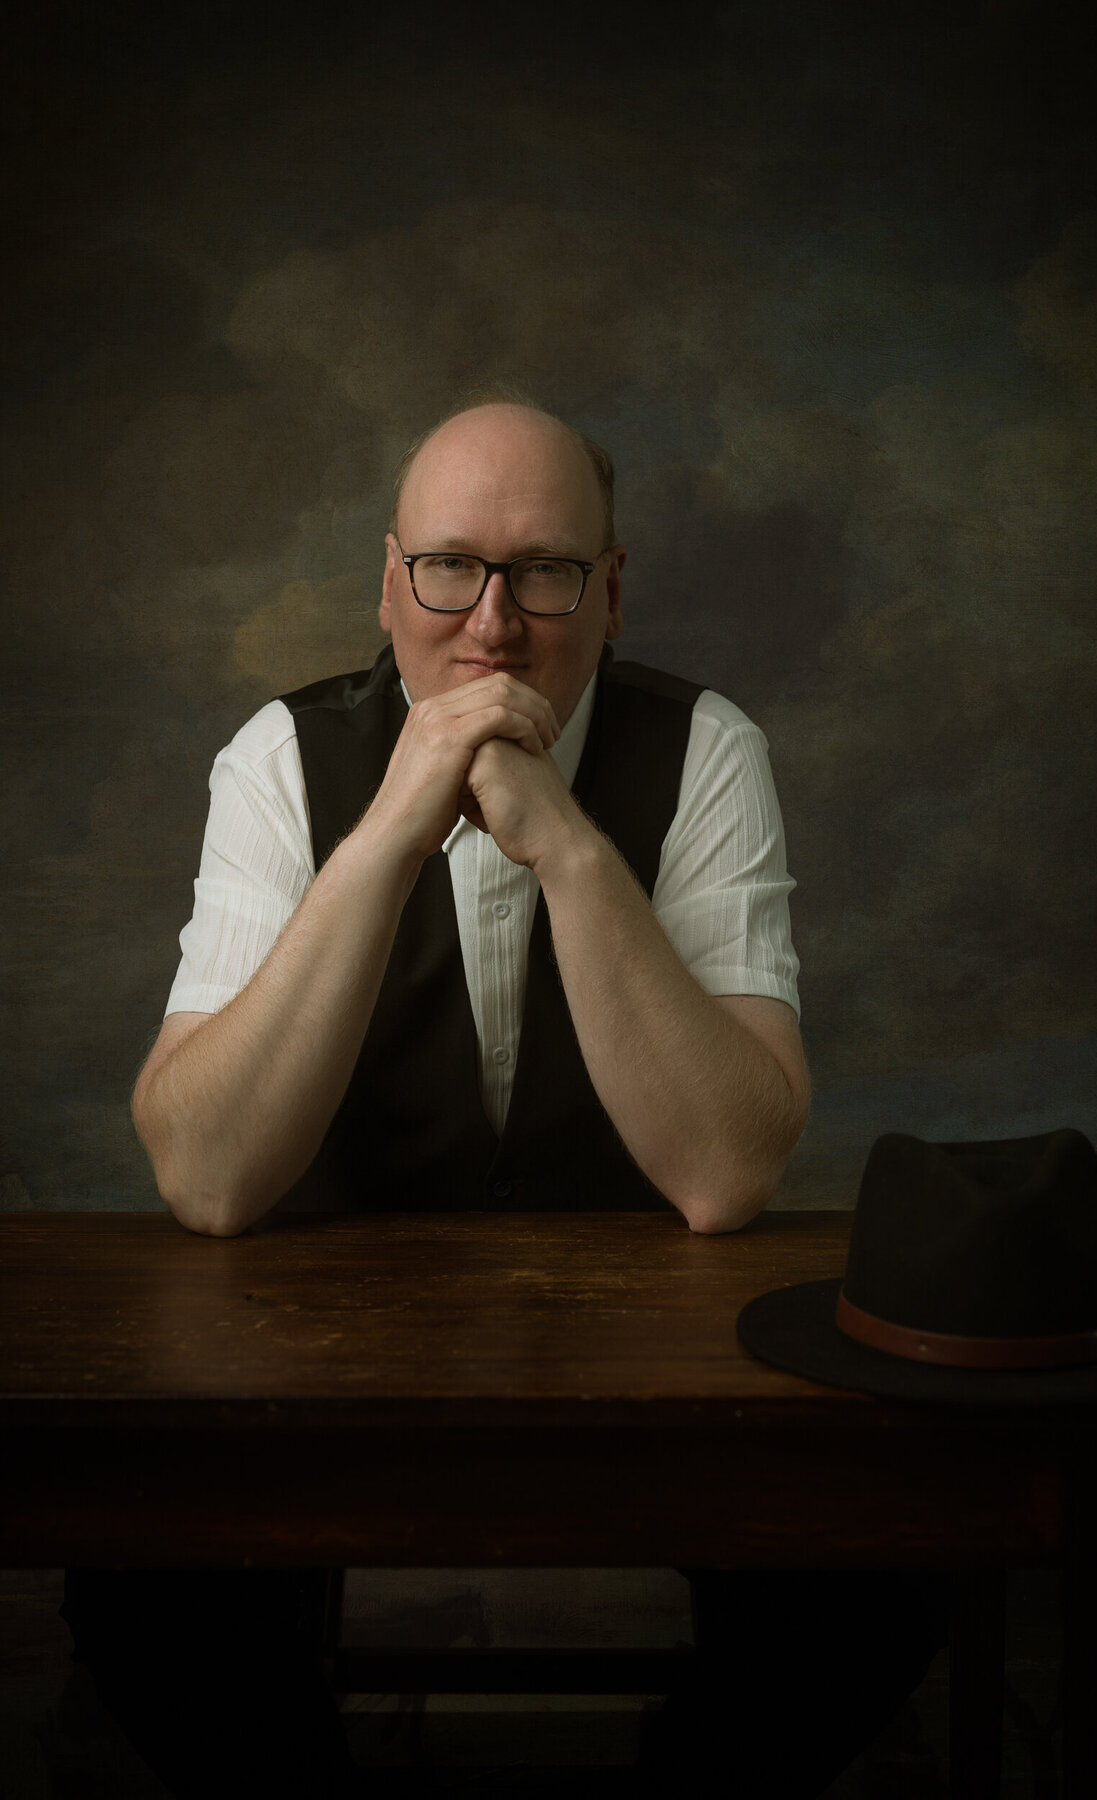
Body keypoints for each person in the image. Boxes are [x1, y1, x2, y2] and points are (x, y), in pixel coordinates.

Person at [60, 400, 946, 1796]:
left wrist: (571, 850)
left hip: (656, 1370)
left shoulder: (707, 751)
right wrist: (392, 830)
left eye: (542, 572)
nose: (490, 624)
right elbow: (208, 1181)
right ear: (389, 578)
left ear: (609, 590)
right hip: (319, 1361)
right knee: (148, 1604)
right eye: (450, 567)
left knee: (874, 1594)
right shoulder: (279, 760)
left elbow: (726, 1176)